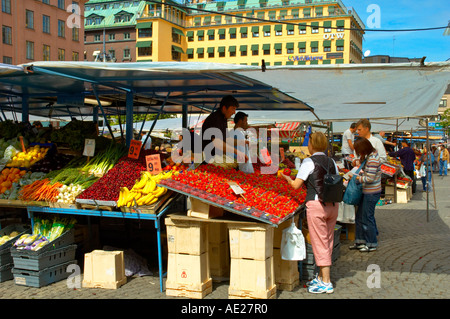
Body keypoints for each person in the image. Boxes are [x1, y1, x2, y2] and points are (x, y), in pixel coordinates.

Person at [282, 132, 339, 294]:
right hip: (333, 205)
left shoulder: (309, 161)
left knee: (319, 242)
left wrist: (287, 178)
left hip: (316, 205)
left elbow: (296, 185)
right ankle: (321, 277)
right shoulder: (332, 162)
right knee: (327, 240)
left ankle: (326, 282)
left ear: (312, 145)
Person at [348, 137, 382, 252]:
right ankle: (360, 241)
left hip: (371, 192)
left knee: (367, 217)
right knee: (360, 217)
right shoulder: (370, 156)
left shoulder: (372, 159)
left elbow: (370, 178)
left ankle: (371, 243)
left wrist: (358, 178)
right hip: (367, 191)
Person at [201, 95, 247, 163]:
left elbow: (227, 139)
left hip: (217, 159)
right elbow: (217, 142)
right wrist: (237, 152)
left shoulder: (224, 119)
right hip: (208, 160)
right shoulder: (215, 119)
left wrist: (241, 142)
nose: (234, 112)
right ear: (224, 108)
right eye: (233, 109)